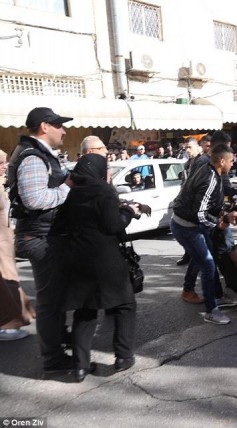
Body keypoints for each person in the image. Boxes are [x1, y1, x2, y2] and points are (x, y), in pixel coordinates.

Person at [61, 154, 142, 382]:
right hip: (106, 260)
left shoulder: (73, 193)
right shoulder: (104, 191)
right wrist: (129, 212)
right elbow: (113, 225)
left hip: (79, 260)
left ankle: (80, 366)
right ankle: (124, 357)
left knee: (85, 312)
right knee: (125, 305)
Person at [7, 107, 74, 374]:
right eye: (59, 125)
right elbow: (35, 199)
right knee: (49, 302)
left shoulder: (38, 154)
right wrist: (68, 187)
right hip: (39, 236)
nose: (64, 130)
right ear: (44, 127)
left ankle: (58, 339)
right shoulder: (33, 156)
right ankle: (53, 359)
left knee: (55, 298)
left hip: (43, 234)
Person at [171, 144, 237, 324]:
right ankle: (211, 310)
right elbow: (200, 213)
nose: (233, 164)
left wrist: (225, 215)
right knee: (208, 264)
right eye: (232, 161)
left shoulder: (212, 173)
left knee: (204, 257)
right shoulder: (209, 177)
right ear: (222, 161)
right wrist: (220, 223)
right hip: (186, 227)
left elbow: (209, 206)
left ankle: (210, 294)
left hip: (191, 224)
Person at [0, 149, 36, 341]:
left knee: (10, 282)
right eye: (1, 163)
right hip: (0, 245)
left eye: (5, 162)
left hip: (6, 243)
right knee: (5, 285)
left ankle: (18, 316)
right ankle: (6, 324)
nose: (5, 166)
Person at [175, 138, 202, 268]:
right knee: (185, 229)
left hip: (198, 200)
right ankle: (188, 253)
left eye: (190, 147)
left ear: (198, 147)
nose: (187, 150)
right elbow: (183, 182)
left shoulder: (202, 162)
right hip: (187, 200)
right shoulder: (187, 164)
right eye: (186, 148)